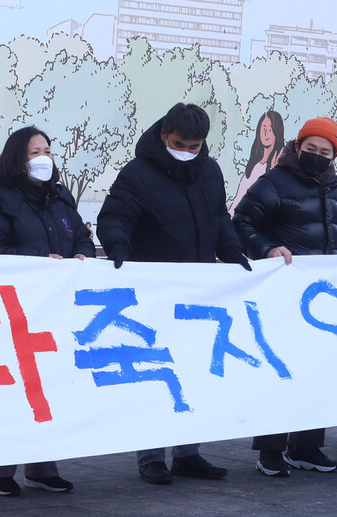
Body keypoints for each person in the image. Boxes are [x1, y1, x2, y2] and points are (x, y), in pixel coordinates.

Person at [97, 102, 250, 486]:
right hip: (155, 289)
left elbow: (219, 218)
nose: (186, 150)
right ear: (164, 135)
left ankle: (188, 453)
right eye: (180, 143)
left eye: (195, 146)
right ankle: (151, 455)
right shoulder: (137, 173)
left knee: (194, 370)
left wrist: (232, 252)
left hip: (199, 287)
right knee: (157, 370)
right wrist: (117, 243)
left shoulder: (210, 171)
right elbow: (116, 215)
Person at [233, 116, 337, 477]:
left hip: (320, 299)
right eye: (310, 148)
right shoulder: (273, 182)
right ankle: (270, 450)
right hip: (283, 296)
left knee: (317, 372)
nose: (316, 155)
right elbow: (240, 223)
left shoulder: (331, 186)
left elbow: (334, 232)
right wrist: (267, 248)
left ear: (334, 155)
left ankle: (306, 446)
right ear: (297, 147)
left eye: (325, 151)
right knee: (281, 372)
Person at [0, 126, 93, 496]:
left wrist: (83, 252)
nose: (43, 158)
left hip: (57, 309)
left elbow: (80, 235)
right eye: (33, 152)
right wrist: (41, 260)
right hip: (17, 310)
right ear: (15, 159)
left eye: (47, 151)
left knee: (51, 387)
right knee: (18, 388)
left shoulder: (60, 196)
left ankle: (42, 467)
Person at [230, 110, 285, 212]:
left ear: (277, 132)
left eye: (270, 129)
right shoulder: (254, 165)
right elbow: (238, 199)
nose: (266, 133)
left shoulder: (278, 167)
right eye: (264, 127)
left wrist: (274, 172)